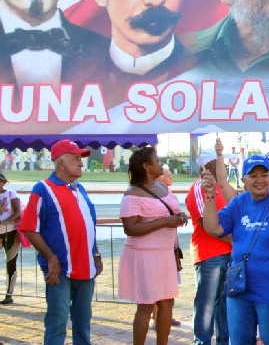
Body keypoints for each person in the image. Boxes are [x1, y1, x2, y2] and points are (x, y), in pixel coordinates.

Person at [201, 154, 269, 345]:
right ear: (244, 180)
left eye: (264, 175)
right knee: (239, 340)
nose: (259, 180)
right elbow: (214, 228)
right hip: (240, 287)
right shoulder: (240, 202)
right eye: (253, 176)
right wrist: (209, 196)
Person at [18, 139, 102, 345]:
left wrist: (96, 254)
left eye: (80, 159)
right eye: (75, 158)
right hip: (60, 271)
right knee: (58, 322)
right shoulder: (43, 189)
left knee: (83, 322)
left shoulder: (79, 188)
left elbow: (89, 225)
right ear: (60, 162)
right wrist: (50, 257)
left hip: (86, 268)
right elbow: (29, 228)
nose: (81, 163)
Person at [119, 146, 188, 345]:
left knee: (167, 302)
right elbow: (130, 228)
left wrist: (179, 216)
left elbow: (171, 211)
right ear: (146, 166)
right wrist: (165, 222)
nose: (161, 164)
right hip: (144, 256)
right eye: (157, 161)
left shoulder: (162, 187)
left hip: (165, 253)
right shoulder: (132, 194)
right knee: (146, 305)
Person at [186, 141, 236, 345]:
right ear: (206, 167)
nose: (221, 167)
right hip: (210, 254)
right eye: (216, 163)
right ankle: (202, 341)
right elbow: (208, 225)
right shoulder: (200, 188)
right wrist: (238, 240)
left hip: (229, 253)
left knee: (225, 304)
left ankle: (223, 341)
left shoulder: (222, 187)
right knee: (207, 304)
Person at [0, 170, 20, 304]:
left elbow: (18, 212)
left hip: (11, 232)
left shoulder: (11, 193)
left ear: (3, 182)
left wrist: (6, 222)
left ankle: (9, 294)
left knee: (10, 263)